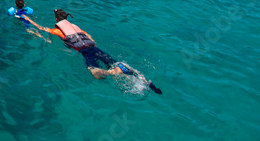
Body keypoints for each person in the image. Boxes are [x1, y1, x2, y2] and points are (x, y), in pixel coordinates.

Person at [28, 10, 162, 93]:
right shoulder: (76, 27)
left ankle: (115, 71)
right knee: (114, 62)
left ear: (56, 20)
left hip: (85, 51)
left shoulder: (58, 30)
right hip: (94, 47)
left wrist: (28, 20)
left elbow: (42, 28)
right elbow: (90, 37)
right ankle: (142, 80)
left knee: (96, 74)